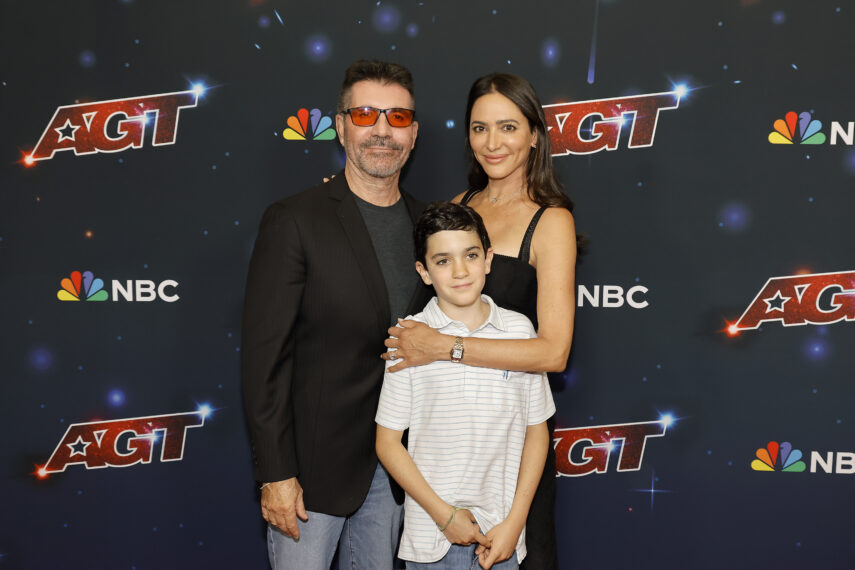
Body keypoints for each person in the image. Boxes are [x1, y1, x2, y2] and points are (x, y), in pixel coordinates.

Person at [241, 59, 432, 570]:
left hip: (396, 470)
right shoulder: (294, 220)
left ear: (413, 134)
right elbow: (264, 361)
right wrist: (275, 473)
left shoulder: (431, 226)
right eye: (366, 114)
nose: (382, 130)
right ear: (341, 126)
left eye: (397, 117)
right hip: (310, 474)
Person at [383, 73, 577, 570]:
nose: (492, 143)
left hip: (509, 452)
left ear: (534, 135)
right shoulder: (456, 209)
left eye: (508, 127)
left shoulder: (551, 221)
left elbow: (554, 351)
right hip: (443, 456)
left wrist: (446, 347)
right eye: (479, 128)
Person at [376, 201, 555, 570]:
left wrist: (515, 522)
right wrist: (444, 516)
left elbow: (536, 433)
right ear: (424, 272)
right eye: (443, 261)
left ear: (488, 259)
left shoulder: (519, 331)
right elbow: (388, 443)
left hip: (502, 537)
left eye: (471, 255)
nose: (460, 271)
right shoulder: (408, 338)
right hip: (432, 539)